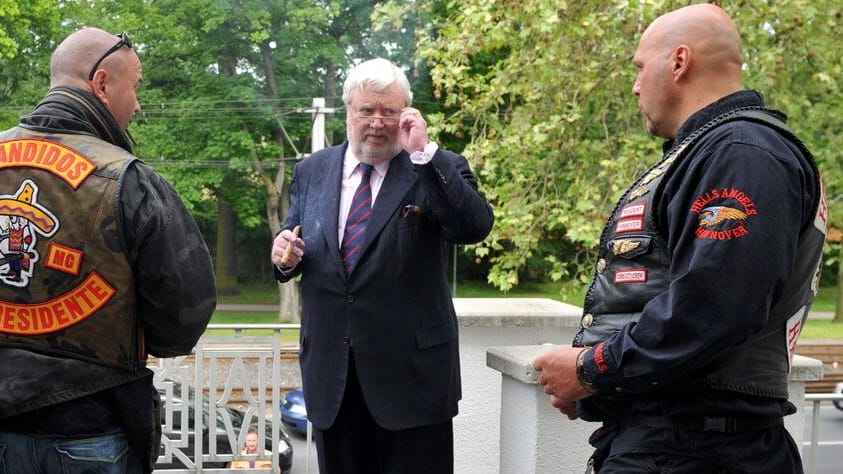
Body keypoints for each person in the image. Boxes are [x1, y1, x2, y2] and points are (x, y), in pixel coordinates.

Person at [533, 4, 827, 473]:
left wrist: (591, 370)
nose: (634, 85)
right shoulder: (716, 149)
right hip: (679, 443)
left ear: (679, 61)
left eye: (638, 67)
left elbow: (713, 306)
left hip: (696, 450)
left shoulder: (741, 153)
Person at [0, 28, 216, 473]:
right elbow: (183, 317)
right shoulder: (128, 179)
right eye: (134, 85)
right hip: (91, 428)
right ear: (101, 83)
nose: (137, 105)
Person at [270, 57, 494, 473]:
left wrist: (424, 153)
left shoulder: (430, 166)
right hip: (333, 380)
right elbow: (295, 237)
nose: (377, 122)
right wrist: (284, 254)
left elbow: (473, 226)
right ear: (348, 112)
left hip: (413, 382)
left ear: (407, 113)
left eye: (389, 112)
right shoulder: (312, 171)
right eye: (366, 111)